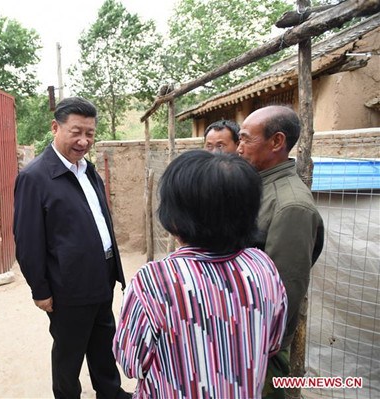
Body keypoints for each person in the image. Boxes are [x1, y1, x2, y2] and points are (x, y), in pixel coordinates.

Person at [113, 150, 287, 398]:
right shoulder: (263, 265)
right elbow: (273, 342)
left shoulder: (154, 281)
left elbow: (131, 363)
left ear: (174, 218)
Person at [13, 97, 130, 399]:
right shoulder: (34, 177)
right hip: (68, 285)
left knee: (103, 342)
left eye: (90, 133)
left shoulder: (87, 169)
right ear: (55, 127)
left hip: (101, 276)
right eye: (76, 131)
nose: (84, 140)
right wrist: (40, 290)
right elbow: (27, 241)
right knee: (69, 352)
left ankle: (111, 393)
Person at [237, 105, 325, 399]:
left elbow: (285, 290)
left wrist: (264, 346)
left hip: (263, 346)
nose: (238, 148)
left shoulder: (291, 206)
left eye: (246, 139)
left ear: (276, 142)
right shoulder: (259, 187)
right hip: (245, 336)